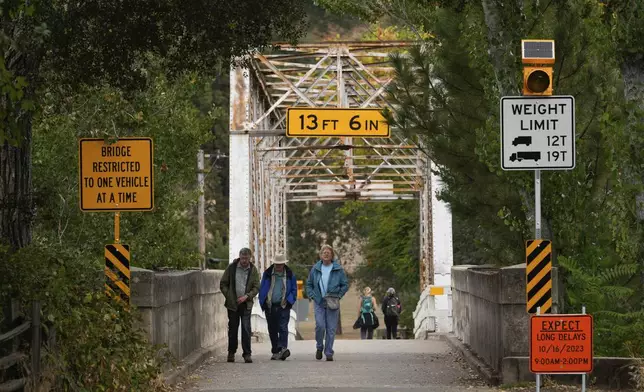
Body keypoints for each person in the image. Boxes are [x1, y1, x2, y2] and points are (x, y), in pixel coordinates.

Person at [305, 244, 348, 361]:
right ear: (320, 255)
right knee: (320, 325)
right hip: (319, 301)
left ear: (332, 255)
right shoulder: (315, 269)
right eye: (324, 252)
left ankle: (329, 352)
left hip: (333, 301)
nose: (326, 254)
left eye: (328, 253)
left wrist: (339, 295)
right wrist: (312, 295)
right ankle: (319, 347)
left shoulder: (338, 269)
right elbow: (309, 284)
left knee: (331, 328)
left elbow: (345, 285)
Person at [220, 247, 260, 363]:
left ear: (249, 258)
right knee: (233, 329)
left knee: (246, 328)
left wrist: (247, 296)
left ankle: (247, 354)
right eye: (242, 258)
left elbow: (257, 287)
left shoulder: (253, 270)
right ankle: (231, 352)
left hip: (246, 304)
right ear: (239, 257)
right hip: (233, 304)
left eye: (246, 259)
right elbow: (223, 284)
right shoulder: (231, 268)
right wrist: (230, 296)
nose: (244, 261)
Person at [258, 254, 297, 361]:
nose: (279, 266)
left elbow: (294, 289)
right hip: (270, 305)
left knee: (283, 327)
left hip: (284, 305)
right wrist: (263, 301)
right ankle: (275, 350)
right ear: (274, 264)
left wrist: (290, 301)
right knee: (272, 329)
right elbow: (262, 288)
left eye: (281, 264)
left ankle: (283, 349)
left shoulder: (290, 274)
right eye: (277, 264)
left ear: (284, 264)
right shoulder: (267, 273)